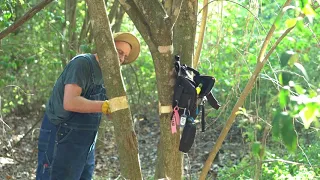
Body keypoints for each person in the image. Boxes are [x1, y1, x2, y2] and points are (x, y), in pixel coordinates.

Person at [36, 32, 140, 180]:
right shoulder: (83, 63)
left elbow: (109, 112)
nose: (121, 58)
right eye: (119, 52)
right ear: (106, 48)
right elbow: (70, 102)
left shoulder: (111, 75)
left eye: (125, 56)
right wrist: (104, 106)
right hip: (60, 135)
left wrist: (117, 111)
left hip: (86, 141)